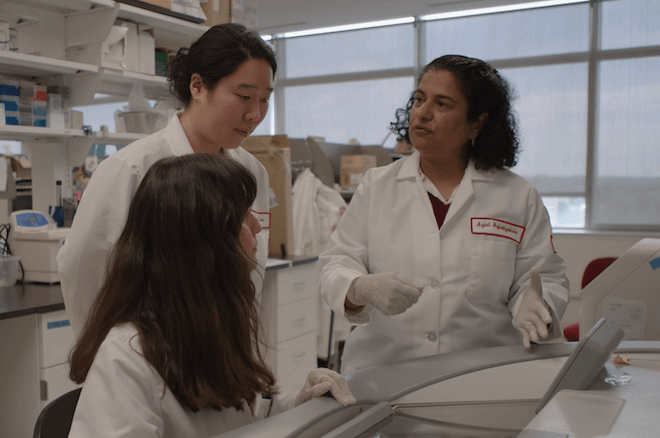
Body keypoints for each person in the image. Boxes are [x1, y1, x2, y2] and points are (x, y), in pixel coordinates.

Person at [67, 154, 355, 438]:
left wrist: (297, 404)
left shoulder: (210, 320)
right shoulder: (126, 357)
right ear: (203, 243)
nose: (257, 227)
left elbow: (241, 417)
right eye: (243, 216)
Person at [319, 55, 570, 373]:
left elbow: (541, 278)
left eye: (443, 104)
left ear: (476, 123)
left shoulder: (517, 197)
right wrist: (358, 287)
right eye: (419, 99)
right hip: (383, 376)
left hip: (482, 379)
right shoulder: (377, 186)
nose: (422, 113)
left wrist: (536, 305)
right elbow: (336, 263)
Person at [57, 23, 276, 334]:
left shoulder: (252, 173)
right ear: (198, 86)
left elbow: (252, 271)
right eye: (244, 96)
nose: (255, 114)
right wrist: (102, 352)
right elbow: (82, 267)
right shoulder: (133, 168)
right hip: (149, 355)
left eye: (265, 99)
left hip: (225, 351)